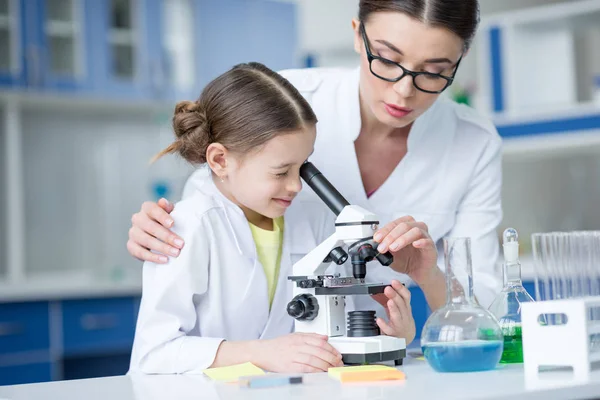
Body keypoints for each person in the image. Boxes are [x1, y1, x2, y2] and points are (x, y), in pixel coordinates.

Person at [127, 0, 502, 316]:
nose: (404, 91)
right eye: (386, 60)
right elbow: (208, 209)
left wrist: (429, 274)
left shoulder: (473, 142)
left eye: (434, 72)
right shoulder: (290, 106)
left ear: (461, 58)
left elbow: (486, 308)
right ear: (358, 34)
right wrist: (161, 231)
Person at [128, 62, 418, 375]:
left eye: (302, 167)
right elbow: (154, 354)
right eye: (281, 171)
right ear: (220, 160)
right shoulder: (186, 225)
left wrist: (392, 334)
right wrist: (261, 353)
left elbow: (336, 334)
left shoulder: (316, 223)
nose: (295, 186)